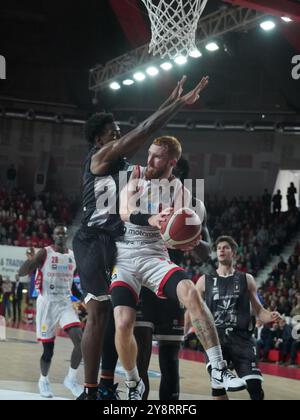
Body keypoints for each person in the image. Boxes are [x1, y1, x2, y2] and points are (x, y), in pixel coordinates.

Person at [73, 75, 210, 400]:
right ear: (98, 138)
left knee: (114, 316)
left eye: (119, 132)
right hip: (93, 239)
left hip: (114, 243)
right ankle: (90, 392)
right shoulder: (101, 157)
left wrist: (169, 101)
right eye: (113, 132)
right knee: (100, 313)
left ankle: (106, 385)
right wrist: (176, 104)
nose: (119, 135)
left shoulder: (126, 165)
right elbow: (145, 131)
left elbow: (151, 146)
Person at [111, 136, 246, 400]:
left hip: (154, 258)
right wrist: (151, 218)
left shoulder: (184, 195)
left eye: (157, 156)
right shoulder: (135, 174)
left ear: (172, 162)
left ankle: (218, 367)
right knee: (124, 323)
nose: (149, 160)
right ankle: (132, 382)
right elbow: (124, 211)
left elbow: (203, 249)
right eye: (149, 154)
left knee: (191, 294)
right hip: (125, 258)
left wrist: (191, 239)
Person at [195, 236, 282, 400]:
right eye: (219, 247)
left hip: (242, 339)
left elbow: (259, 311)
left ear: (233, 253)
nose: (221, 250)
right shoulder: (203, 281)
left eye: (225, 247)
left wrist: (271, 316)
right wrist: (191, 332)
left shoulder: (246, 279)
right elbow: (193, 313)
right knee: (219, 386)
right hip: (216, 340)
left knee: (255, 387)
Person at [19, 225, 83, 399]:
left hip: (64, 303)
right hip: (47, 304)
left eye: (63, 234)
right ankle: (43, 380)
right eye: (58, 234)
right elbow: (22, 272)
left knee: (81, 341)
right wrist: (30, 260)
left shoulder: (72, 256)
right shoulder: (44, 253)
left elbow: (72, 286)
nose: (61, 236)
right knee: (49, 351)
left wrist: (83, 299)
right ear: (53, 236)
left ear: (66, 235)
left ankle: (71, 379)